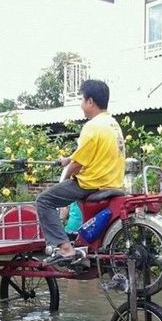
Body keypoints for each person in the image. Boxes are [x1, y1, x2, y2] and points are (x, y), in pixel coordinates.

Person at [36, 79, 125, 264]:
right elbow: (90, 152)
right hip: (112, 183)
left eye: (82, 100)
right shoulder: (112, 124)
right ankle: (78, 243)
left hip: (91, 184)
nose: (81, 105)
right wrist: (68, 159)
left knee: (44, 200)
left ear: (90, 101)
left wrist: (65, 176)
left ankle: (65, 249)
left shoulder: (92, 126)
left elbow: (77, 164)